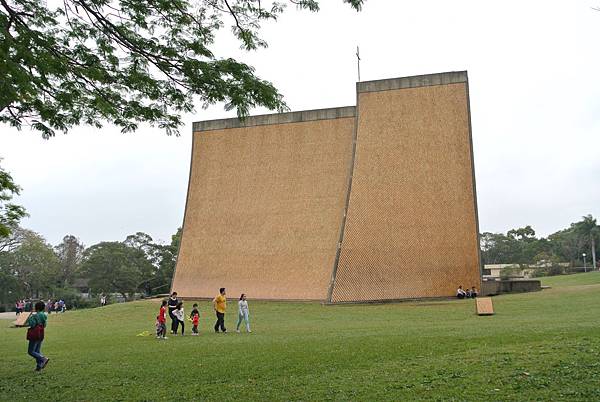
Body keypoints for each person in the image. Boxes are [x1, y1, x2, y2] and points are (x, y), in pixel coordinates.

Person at [26, 300, 49, 371]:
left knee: (31, 351)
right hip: (41, 334)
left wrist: (29, 318)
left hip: (34, 334)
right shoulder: (44, 315)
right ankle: (39, 367)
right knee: (37, 351)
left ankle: (43, 359)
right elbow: (45, 325)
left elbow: (31, 324)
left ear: (36, 308)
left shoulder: (34, 316)